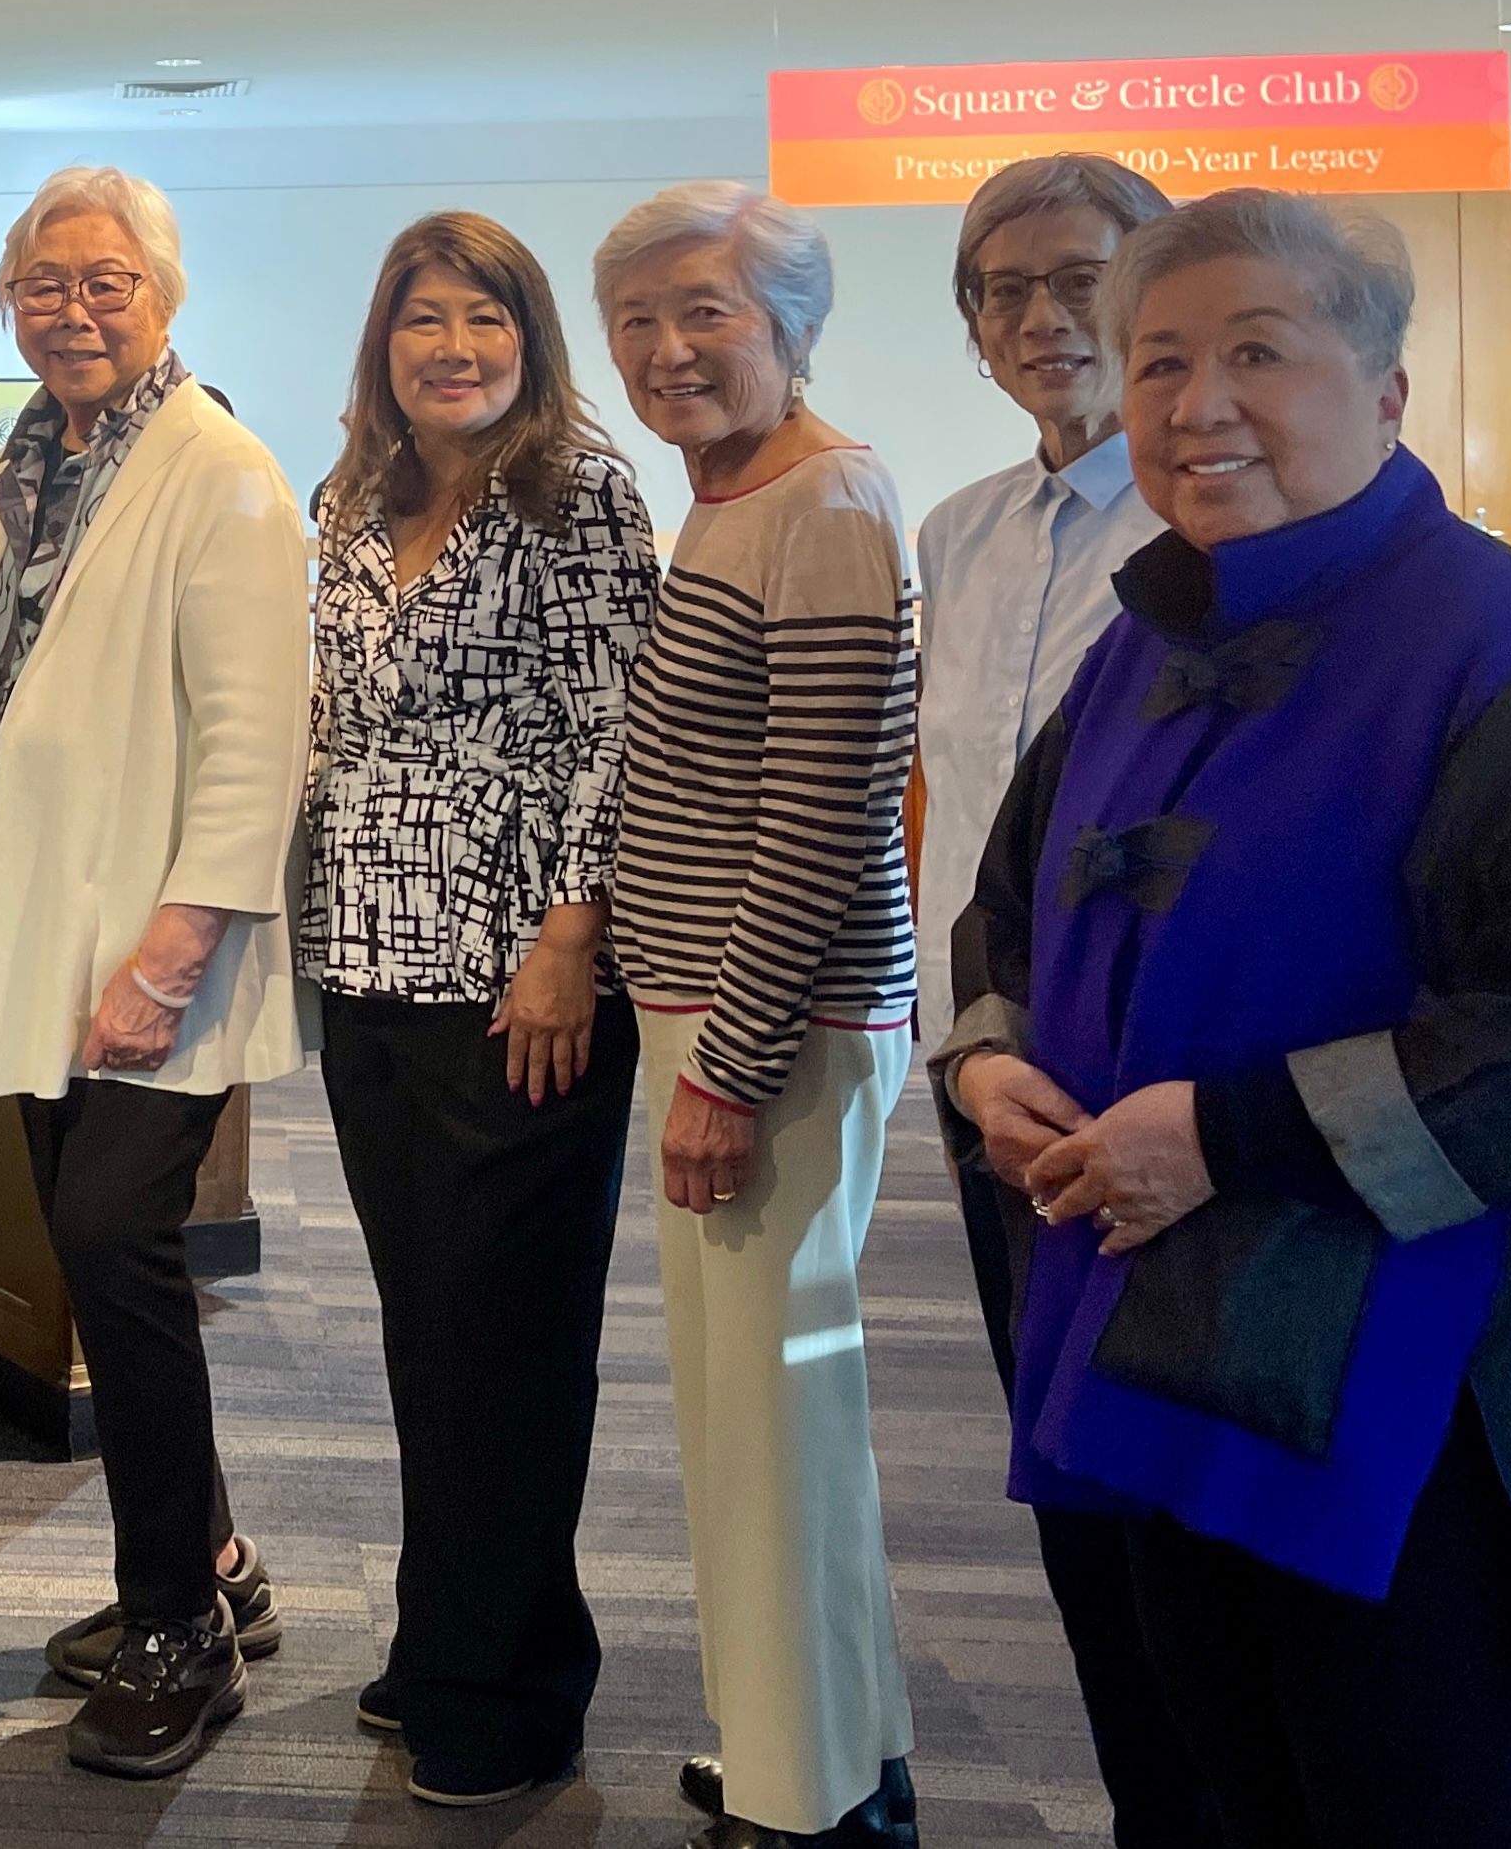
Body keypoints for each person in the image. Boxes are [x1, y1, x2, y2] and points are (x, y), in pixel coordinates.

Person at [943, 189, 1511, 1847]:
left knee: (1401, 1793)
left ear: (1384, 390)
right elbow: (1008, 899)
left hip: (1415, 1360)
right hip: (1154, 1303)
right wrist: (986, 1056)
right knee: (1222, 1768)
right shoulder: (1151, 631)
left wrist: (1227, 1129)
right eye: (1159, 360)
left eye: (1257, 351)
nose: (1197, 404)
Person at [0, 165, 308, 1780]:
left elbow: (254, 744)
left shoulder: (218, 470)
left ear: (162, 297)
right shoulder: (20, 470)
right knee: (95, 1259)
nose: (69, 309)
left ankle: (174, 1622)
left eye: (104, 282)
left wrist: (169, 957)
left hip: (157, 954)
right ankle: (214, 1556)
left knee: (113, 1245)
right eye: (40, 282)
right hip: (40, 941)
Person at [299, 211, 658, 1807]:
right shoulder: (354, 499)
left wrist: (568, 932)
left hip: (519, 973)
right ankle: (447, 1631)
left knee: (505, 1337)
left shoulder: (576, 491)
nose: (450, 346)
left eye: (482, 318)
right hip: (364, 961)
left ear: (529, 339)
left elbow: (613, 728)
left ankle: (513, 1689)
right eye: (420, 318)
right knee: (425, 1325)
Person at [596, 181, 918, 1848]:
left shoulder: (825, 501)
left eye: (704, 311)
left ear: (788, 323)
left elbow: (824, 807)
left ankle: (808, 1793)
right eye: (637, 321)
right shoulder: (727, 501)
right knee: (749, 1415)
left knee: (776, 1417)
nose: (666, 350)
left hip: (770, 1032)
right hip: (718, 1018)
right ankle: (823, 1740)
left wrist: (723, 1068)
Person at [915, 155, 1214, 1847]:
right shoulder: (956, 537)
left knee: (1194, 1508)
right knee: (1070, 1488)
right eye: (998, 290)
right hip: (996, 1089)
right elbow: (957, 828)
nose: (1039, 317)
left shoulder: (1211, 510)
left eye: (1074, 279)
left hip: (1170, 1108)